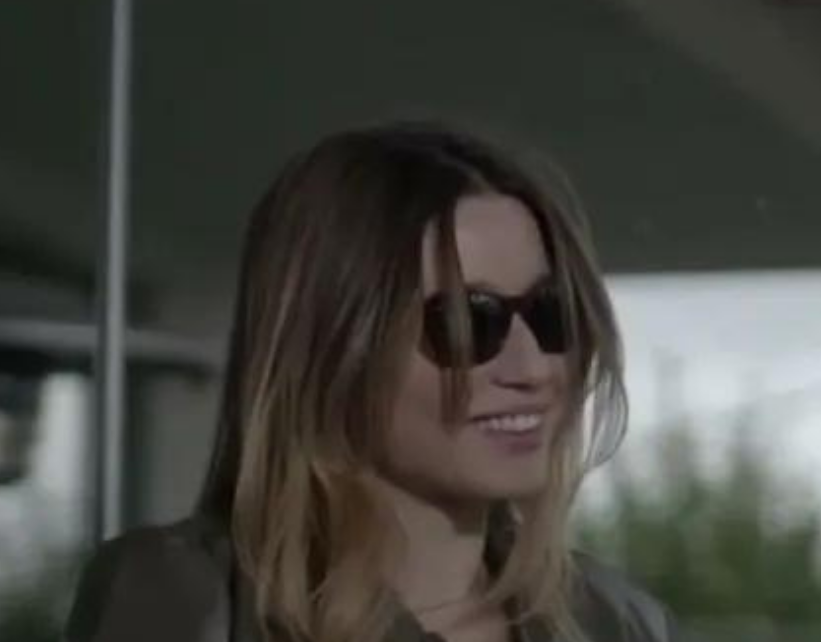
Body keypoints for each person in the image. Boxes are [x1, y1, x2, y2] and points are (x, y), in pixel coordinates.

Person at [65, 122, 683, 642]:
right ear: (333, 348)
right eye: (468, 322)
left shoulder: (619, 624)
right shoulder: (188, 602)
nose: (533, 368)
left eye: (551, 315)